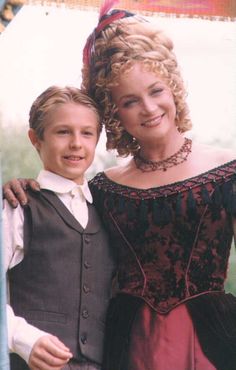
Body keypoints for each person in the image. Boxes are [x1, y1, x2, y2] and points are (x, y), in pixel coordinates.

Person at [3, 6, 236, 370]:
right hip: (125, 345)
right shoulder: (104, 189)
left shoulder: (228, 170)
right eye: (129, 102)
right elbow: (62, 210)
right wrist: (22, 188)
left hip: (209, 342)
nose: (148, 108)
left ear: (172, 87)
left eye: (156, 91)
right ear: (113, 113)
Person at [3, 86, 114, 370]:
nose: (76, 143)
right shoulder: (18, 207)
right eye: (63, 132)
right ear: (35, 138)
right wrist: (22, 339)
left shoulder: (108, 210)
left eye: (87, 133)